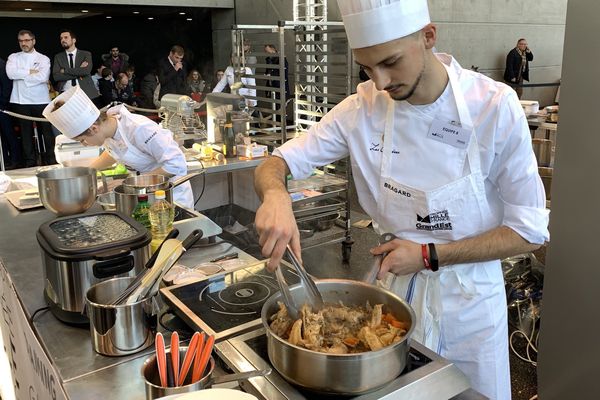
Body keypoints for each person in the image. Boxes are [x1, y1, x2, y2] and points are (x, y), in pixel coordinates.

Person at [253, 1, 549, 399]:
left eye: (390, 62)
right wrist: (275, 194)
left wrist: (429, 255)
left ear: (428, 36)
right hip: (392, 302)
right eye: (367, 68)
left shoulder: (494, 107)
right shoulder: (360, 110)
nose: (380, 81)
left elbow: (529, 233)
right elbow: (276, 162)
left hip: (470, 300)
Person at [43, 86, 194, 208]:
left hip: (172, 199)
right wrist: (87, 173)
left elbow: (175, 164)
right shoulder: (109, 130)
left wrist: (127, 184)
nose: (84, 144)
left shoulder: (139, 129)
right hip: (145, 195)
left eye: (82, 140)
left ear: (94, 128)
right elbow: (114, 152)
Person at [6, 29, 56, 166]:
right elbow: (11, 74)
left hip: (41, 100)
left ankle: (51, 160)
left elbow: (43, 77)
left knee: (47, 133)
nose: (24, 43)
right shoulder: (13, 57)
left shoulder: (43, 58)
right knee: (25, 134)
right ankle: (30, 162)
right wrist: (30, 72)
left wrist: (22, 76)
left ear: (33, 41)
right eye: (21, 41)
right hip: (20, 101)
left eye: (27, 40)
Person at [52, 29, 101, 104]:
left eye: (66, 37)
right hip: (65, 93)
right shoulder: (58, 57)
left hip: (85, 92)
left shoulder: (86, 54)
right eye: (61, 38)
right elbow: (56, 76)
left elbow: (86, 71)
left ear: (74, 40)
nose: (63, 40)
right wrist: (78, 71)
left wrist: (65, 70)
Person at [0, 57, 20, 169]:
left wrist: (3, 101)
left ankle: (15, 160)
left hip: (2, 106)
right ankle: (5, 161)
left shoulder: (1, 64)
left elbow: (7, 85)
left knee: (8, 134)